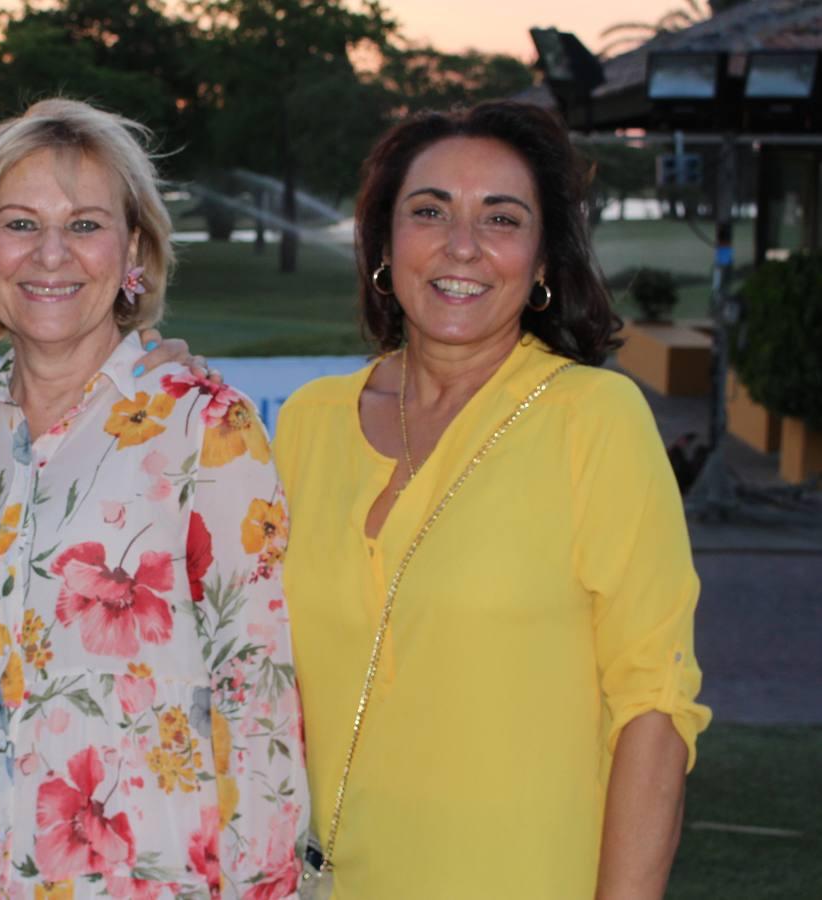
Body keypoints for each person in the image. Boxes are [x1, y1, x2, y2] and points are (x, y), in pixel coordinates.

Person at [274, 101, 711, 899]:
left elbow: (654, 709)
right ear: (383, 242)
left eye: (501, 218)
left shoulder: (595, 422)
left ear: (543, 260)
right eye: (430, 211)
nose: (462, 245)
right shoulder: (307, 426)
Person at [0, 98, 308, 898]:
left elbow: (258, 696)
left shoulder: (205, 426)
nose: (51, 255)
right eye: (19, 223)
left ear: (132, 249)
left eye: (86, 225)